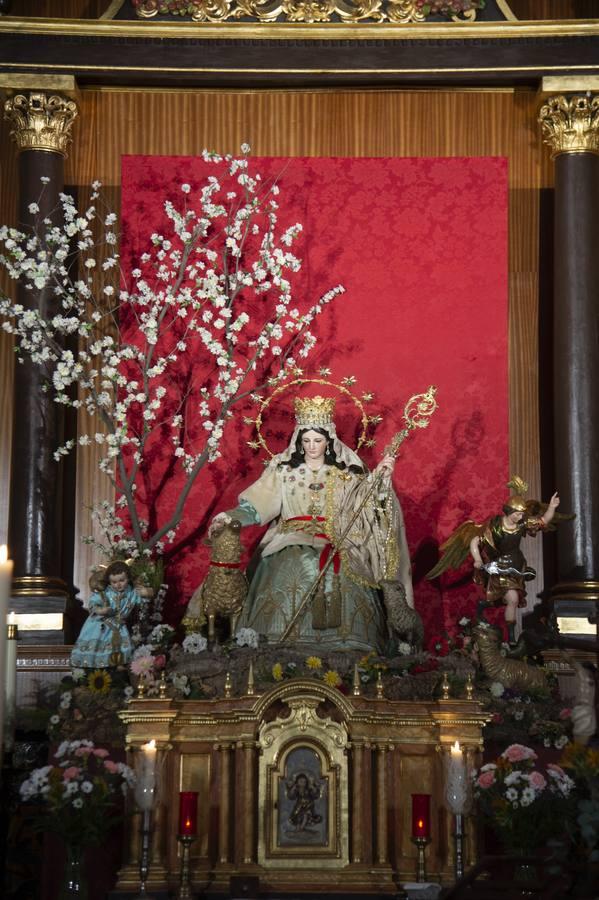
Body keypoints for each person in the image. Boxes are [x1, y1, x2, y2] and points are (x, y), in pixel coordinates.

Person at [209, 395, 414, 652]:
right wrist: (232, 517)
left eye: (317, 440)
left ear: (328, 441)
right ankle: (273, 646)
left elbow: (367, 506)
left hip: (339, 541)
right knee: (294, 562)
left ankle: (352, 648)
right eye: (306, 441)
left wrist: (381, 479)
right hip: (290, 539)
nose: (312, 446)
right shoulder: (284, 470)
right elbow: (257, 506)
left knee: (344, 573)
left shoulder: (347, 471)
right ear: (298, 439)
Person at [427, 477, 562, 645]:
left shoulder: (522, 524)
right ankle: (511, 637)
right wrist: (477, 559)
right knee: (512, 598)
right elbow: (475, 541)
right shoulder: (494, 526)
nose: (520, 517)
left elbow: (543, 522)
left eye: (522, 514)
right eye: (517, 514)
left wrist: (551, 507)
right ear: (509, 511)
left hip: (517, 567)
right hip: (499, 567)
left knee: (507, 600)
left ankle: (487, 609)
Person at [70, 560, 142, 668]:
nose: (118, 585)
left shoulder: (131, 593)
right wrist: (101, 610)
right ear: (109, 581)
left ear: (128, 578)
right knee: (97, 648)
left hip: (119, 626)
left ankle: (117, 671)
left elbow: (142, 599)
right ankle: (95, 669)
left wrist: (147, 592)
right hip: (100, 625)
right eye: (114, 582)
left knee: (121, 650)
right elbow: (93, 603)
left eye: (122, 580)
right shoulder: (105, 593)